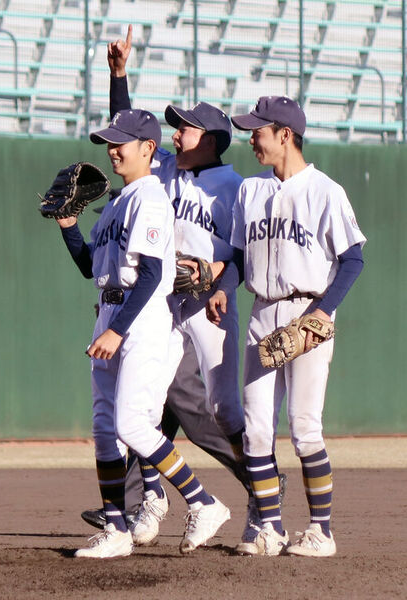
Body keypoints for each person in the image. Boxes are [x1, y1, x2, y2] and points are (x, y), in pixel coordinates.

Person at [80, 25, 253, 546]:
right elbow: (129, 134)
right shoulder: (163, 173)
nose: (178, 134)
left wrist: (225, 280)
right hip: (157, 301)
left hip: (205, 303)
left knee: (216, 410)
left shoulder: (233, 187)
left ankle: (262, 485)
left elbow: (243, 250)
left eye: (188, 130)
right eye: (175, 128)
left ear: (214, 141)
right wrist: (118, 76)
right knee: (149, 405)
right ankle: (142, 504)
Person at [57, 109, 230, 558]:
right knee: (104, 429)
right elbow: (87, 265)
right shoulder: (117, 202)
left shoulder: (150, 198)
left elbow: (153, 273)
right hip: (112, 310)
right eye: (110, 141)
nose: (113, 149)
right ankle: (116, 529)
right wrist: (69, 226)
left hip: (142, 319)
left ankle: (203, 502)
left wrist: (116, 330)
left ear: (148, 148)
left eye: (122, 142)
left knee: (133, 424)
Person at [209, 96, 365, 556]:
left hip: (307, 313)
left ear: (285, 135)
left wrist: (323, 311)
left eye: (258, 130)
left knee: (303, 427)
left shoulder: (325, 191)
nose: (250, 137)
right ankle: (269, 529)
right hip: (261, 311)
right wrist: (224, 284)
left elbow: (353, 258)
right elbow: (237, 256)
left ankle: (321, 531)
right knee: (257, 428)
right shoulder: (250, 190)